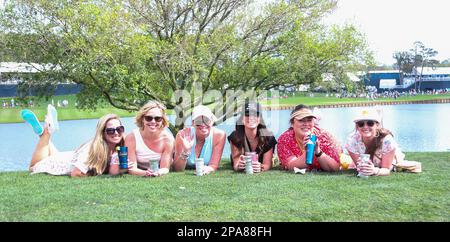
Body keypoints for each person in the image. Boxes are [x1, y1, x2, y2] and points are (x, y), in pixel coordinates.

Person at [21, 105, 125, 177]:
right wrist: (93, 174)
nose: (116, 133)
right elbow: (76, 173)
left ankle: (43, 132)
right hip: (59, 164)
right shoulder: (93, 148)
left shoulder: (121, 146)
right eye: (111, 130)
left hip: (65, 157)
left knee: (54, 154)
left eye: (119, 129)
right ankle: (46, 133)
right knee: (33, 167)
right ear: (102, 132)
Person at [277, 104, 341, 172]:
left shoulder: (324, 137)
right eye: (301, 120)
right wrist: (307, 152)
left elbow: (335, 168)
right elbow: (290, 166)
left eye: (309, 120)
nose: (306, 124)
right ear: (292, 124)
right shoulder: (285, 139)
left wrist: (318, 151)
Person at [345, 108, 404, 176]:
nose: (365, 127)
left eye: (370, 123)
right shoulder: (352, 141)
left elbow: (386, 170)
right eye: (361, 124)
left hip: (389, 163)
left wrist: (374, 171)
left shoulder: (387, 141)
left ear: (377, 125)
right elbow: (359, 167)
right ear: (357, 127)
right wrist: (363, 168)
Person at [124, 101, 174, 177]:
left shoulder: (168, 140)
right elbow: (131, 168)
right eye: (148, 118)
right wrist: (146, 173)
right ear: (142, 119)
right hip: (141, 171)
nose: (153, 122)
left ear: (162, 121)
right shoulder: (131, 137)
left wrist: (158, 172)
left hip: (158, 171)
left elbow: (165, 168)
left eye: (158, 118)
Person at [173, 105, 226, 175]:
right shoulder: (182, 135)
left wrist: (208, 169)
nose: (203, 124)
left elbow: (213, 165)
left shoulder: (219, 135)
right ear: (193, 123)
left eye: (206, 120)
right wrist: (186, 151)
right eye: (198, 121)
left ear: (212, 121)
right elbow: (177, 169)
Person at [227, 101, 277, 172]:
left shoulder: (268, 137)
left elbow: (267, 164)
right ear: (242, 119)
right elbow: (236, 163)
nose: (251, 117)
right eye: (247, 114)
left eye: (255, 114)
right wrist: (239, 166)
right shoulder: (235, 136)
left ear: (260, 119)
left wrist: (261, 167)